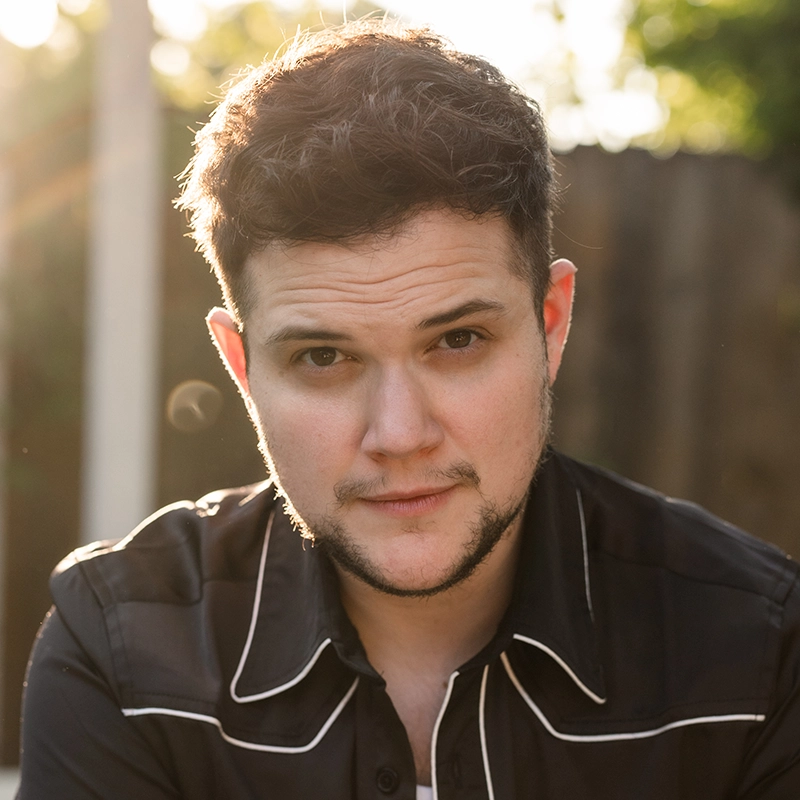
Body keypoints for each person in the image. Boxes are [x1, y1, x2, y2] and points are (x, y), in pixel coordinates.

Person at [17, 20, 800, 800]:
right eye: (323, 357)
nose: (399, 434)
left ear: (551, 325)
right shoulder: (120, 655)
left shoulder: (758, 657)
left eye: (457, 340)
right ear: (241, 365)